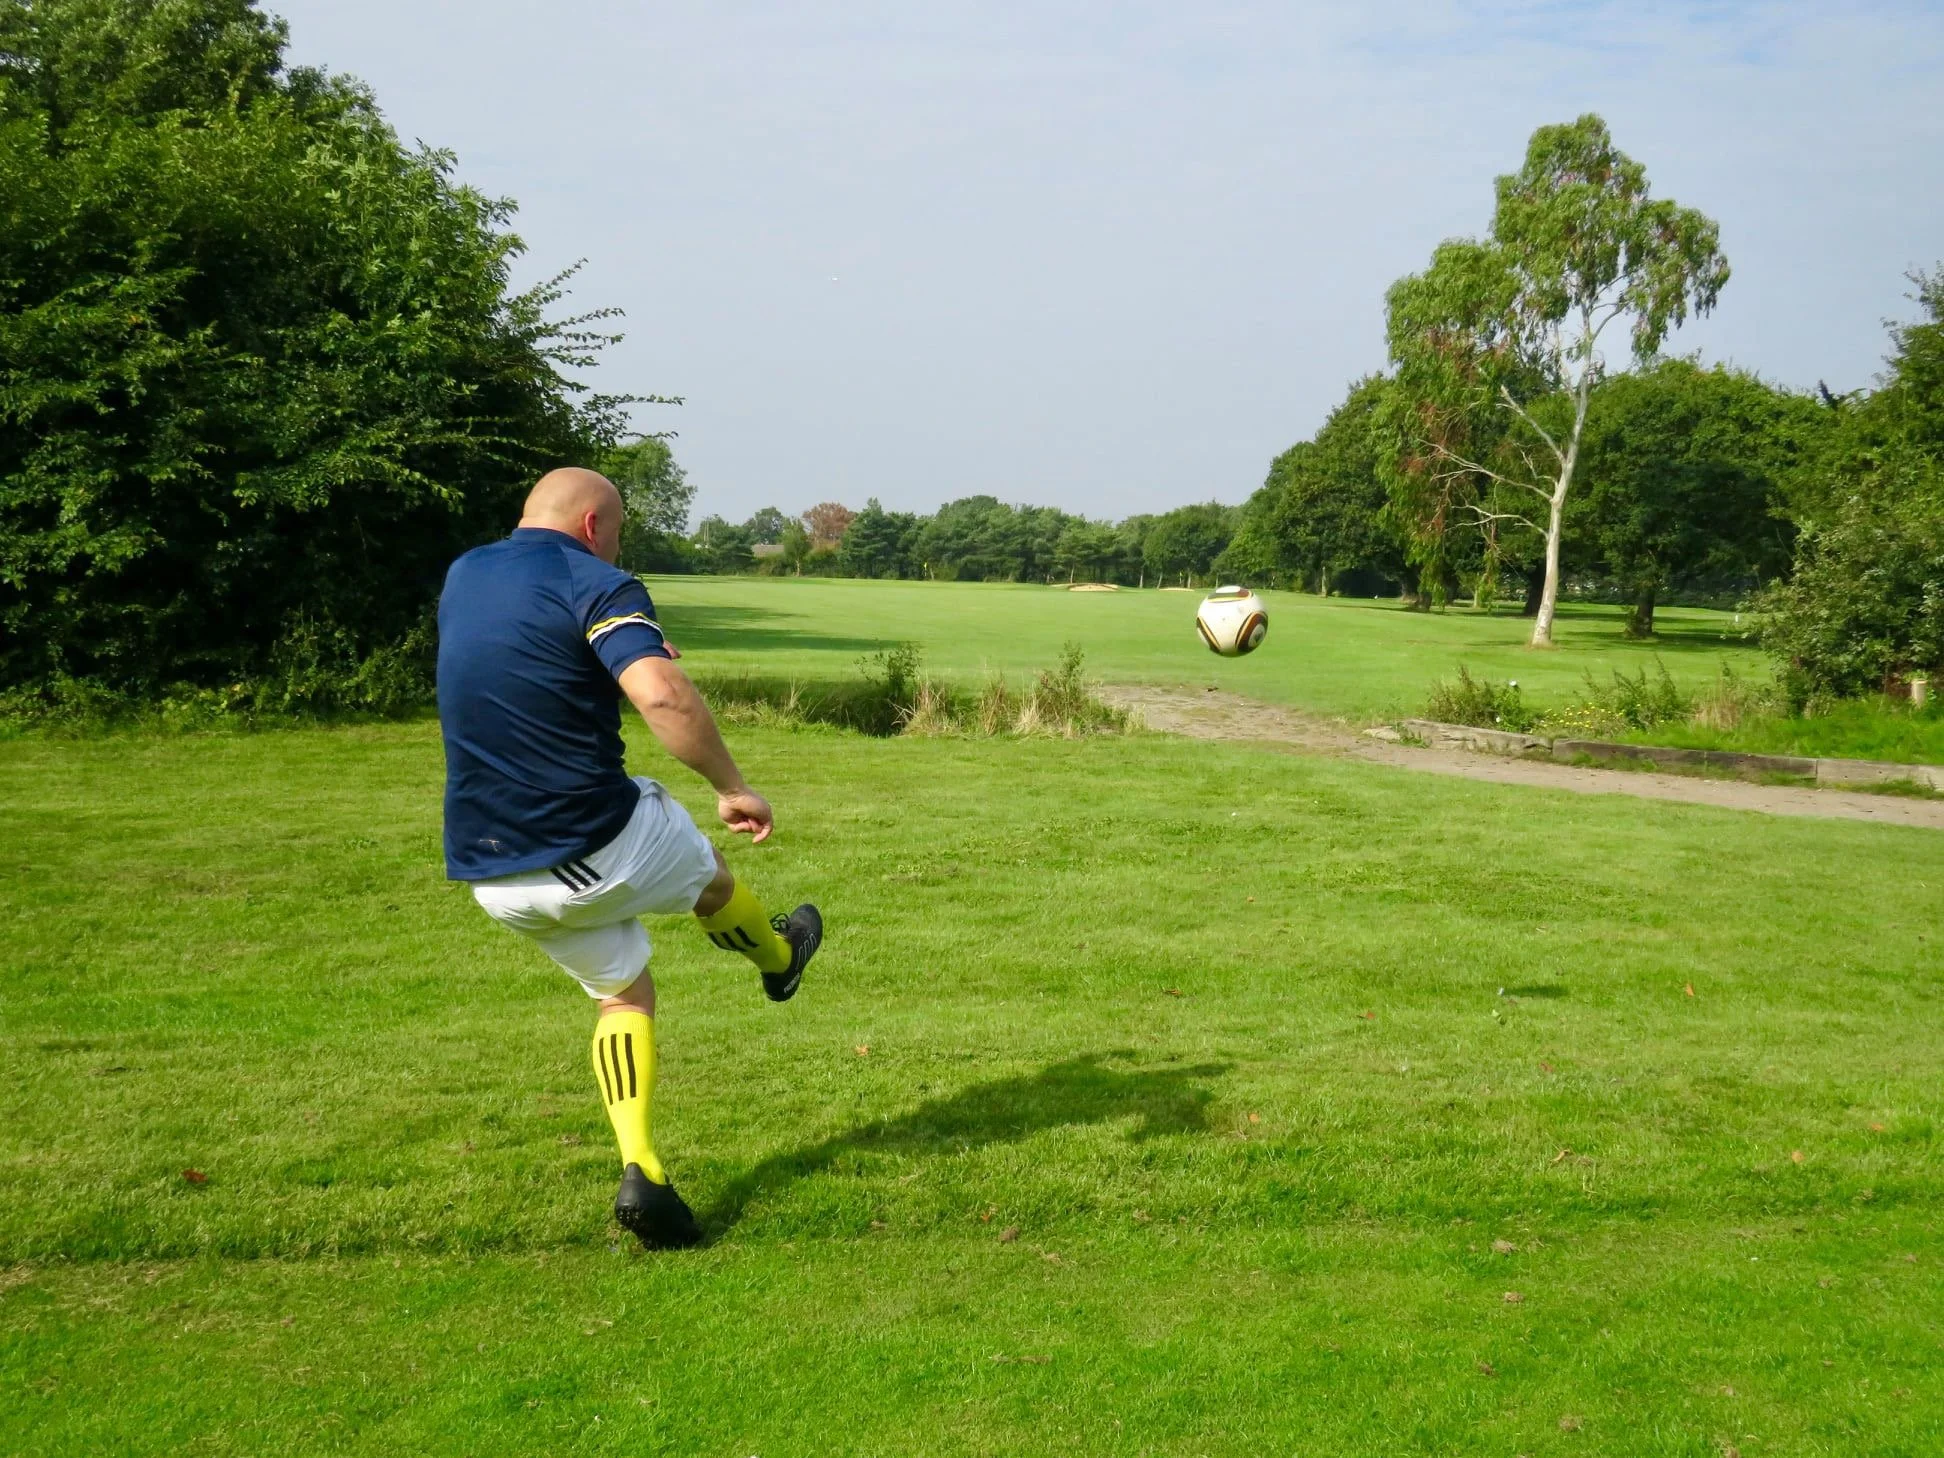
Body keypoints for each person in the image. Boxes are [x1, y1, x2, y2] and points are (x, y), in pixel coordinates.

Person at [436, 467, 822, 1250]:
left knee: (625, 994)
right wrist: (733, 785)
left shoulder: (466, 572)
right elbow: (663, 697)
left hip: (488, 869)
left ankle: (643, 1171)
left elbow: (520, 669)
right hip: (593, 841)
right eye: (615, 534)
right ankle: (781, 957)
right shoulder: (599, 581)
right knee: (710, 875)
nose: (617, 549)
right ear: (590, 527)